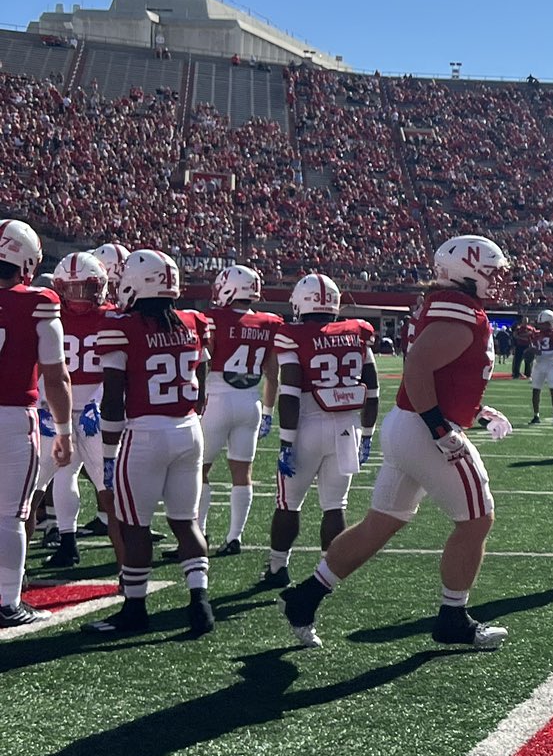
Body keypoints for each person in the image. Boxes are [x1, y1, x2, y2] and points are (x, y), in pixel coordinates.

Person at [278, 235, 512, 650]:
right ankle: (453, 617)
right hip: (424, 430)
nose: (498, 281)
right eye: (492, 272)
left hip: (408, 425)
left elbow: (442, 374)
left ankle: (305, 596)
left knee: (381, 522)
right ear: (467, 271)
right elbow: (419, 366)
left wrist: (475, 412)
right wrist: (442, 429)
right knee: (477, 519)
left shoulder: (451, 306)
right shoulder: (459, 309)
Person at [89, 249, 214, 636]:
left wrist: (108, 454)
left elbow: (112, 400)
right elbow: (203, 379)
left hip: (144, 433)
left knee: (135, 525)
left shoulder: (121, 327)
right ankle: (200, 605)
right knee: (185, 521)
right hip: (189, 429)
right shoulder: (191, 321)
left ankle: (136, 609)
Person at [259, 273, 379, 590]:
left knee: (288, 503)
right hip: (347, 427)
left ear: (301, 302)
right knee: (334, 505)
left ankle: (277, 568)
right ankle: (329, 572)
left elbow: (291, 390)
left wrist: (286, 441)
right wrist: (367, 435)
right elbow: (373, 390)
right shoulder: (357, 333)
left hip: (307, 425)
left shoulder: (293, 334)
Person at [1, 220, 71, 628]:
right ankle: (8, 603)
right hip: (11, 417)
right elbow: (56, 375)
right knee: (10, 516)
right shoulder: (36, 302)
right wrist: (63, 430)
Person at [198, 263, 281, 556]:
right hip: (251, 402)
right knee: (242, 472)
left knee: (200, 470)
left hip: (217, 399)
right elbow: (273, 374)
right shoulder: (268, 323)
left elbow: (204, 362)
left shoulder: (214, 318)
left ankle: (199, 535)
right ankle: (235, 537)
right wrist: (269, 411)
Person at [43, 251, 114, 570]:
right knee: (103, 482)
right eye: (70, 289)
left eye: (84, 288)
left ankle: (69, 542)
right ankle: (73, 541)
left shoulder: (49, 314)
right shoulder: (114, 316)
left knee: (72, 475)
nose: (77, 297)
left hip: (64, 405)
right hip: (92, 408)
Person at [528, 307, 553, 424]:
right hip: (538, 364)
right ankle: (536, 415)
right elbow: (535, 348)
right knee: (535, 390)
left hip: (551, 363)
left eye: (544, 324)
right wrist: (531, 351)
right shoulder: (536, 334)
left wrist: (540, 352)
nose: (541, 326)